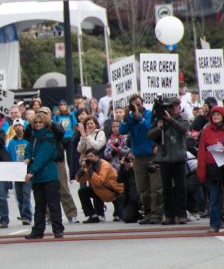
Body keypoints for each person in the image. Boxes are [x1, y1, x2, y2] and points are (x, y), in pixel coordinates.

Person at [120, 95, 163, 224]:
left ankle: (157, 215)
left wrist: (139, 116)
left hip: (151, 155)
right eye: (134, 105)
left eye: (139, 104)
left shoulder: (150, 114)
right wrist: (126, 116)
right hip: (138, 157)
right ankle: (148, 213)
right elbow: (122, 130)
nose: (137, 107)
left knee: (156, 188)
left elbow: (149, 129)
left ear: (143, 104)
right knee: (143, 189)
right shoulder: (130, 117)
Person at [147, 98, 190, 225]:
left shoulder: (183, 119)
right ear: (168, 108)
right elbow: (150, 136)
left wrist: (170, 120)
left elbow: (183, 130)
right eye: (173, 106)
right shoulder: (160, 120)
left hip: (179, 158)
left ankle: (181, 214)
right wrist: (159, 128)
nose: (176, 108)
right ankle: (169, 215)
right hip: (164, 158)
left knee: (181, 187)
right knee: (166, 188)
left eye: (177, 106)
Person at [24, 109, 64, 239]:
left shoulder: (49, 135)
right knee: (39, 205)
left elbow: (43, 156)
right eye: (36, 122)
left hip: (48, 175)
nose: (38, 124)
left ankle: (57, 230)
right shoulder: (34, 136)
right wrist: (27, 157)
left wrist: (31, 171)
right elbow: (29, 149)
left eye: (41, 122)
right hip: (38, 177)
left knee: (53, 204)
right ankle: (38, 230)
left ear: (45, 122)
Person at [196, 106, 224, 232]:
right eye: (213, 114)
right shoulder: (206, 131)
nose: (215, 116)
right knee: (214, 197)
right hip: (212, 167)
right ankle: (215, 222)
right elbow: (201, 152)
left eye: (218, 114)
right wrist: (201, 171)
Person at [77, 150, 124, 223]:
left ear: (97, 157)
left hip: (115, 192)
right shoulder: (89, 166)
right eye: (88, 157)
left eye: (91, 156)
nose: (89, 158)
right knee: (82, 191)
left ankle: (117, 212)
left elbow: (100, 182)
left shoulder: (105, 165)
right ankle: (93, 215)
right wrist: (82, 169)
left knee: (124, 217)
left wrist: (90, 170)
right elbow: (79, 179)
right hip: (101, 191)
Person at [6, 120, 32, 226]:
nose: (18, 128)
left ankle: (27, 216)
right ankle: (23, 215)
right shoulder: (11, 142)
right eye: (15, 126)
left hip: (27, 170)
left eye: (20, 125)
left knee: (26, 194)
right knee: (19, 195)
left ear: (23, 127)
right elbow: (8, 155)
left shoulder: (28, 140)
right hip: (16, 172)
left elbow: (32, 152)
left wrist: (29, 159)